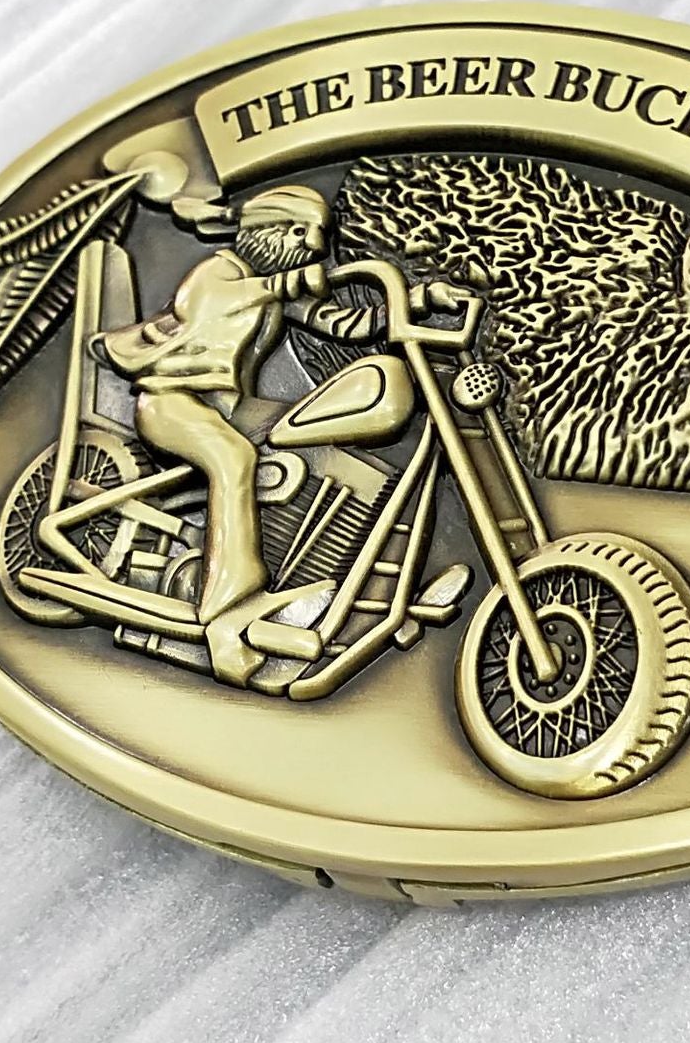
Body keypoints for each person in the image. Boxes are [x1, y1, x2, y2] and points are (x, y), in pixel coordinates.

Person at [93, 184, 448, 685]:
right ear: (267, 229)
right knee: (234, 458)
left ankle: (327, 567)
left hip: (233, 406)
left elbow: (337, 322)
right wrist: (286, 284)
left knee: (315, 432)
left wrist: (419, 300)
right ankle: (225, 612)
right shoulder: (217, 273)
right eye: (301, 232)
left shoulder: (276, 287)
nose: (314, 245)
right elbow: (212, 306)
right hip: (172, 401)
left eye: (316, 235)